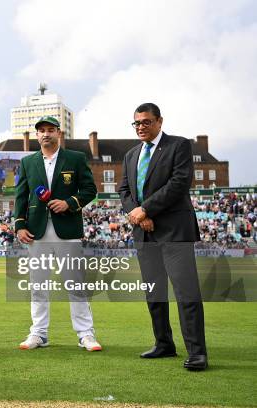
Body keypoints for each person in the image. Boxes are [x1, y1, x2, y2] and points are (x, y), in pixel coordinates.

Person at [118, 102, 207, 371]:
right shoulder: (131, 154)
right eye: (136, 123)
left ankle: (197, 353)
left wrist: (146, 209)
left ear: (159, 122)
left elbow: (179, 183)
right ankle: (163, 343)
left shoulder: (178, 146)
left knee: (186, 293)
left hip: (174, 231)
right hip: (144, 233)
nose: (141, 127)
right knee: (154, 293)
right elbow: (123, 189)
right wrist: (138, 214)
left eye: (146, 122)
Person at [14, 115, 102, 352]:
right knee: (38, 285)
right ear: (37, 135)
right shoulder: (28, 162)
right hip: (36, 230)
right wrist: (20, 225)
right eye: (41, 130)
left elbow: (89, 189)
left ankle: (86, 334)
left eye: (50, 130)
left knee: (75, 284)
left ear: (58, 134)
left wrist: (69, 203)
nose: (46, 134)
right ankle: (39, 333)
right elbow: (21, 196)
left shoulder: (75, 158)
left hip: (68, 229)